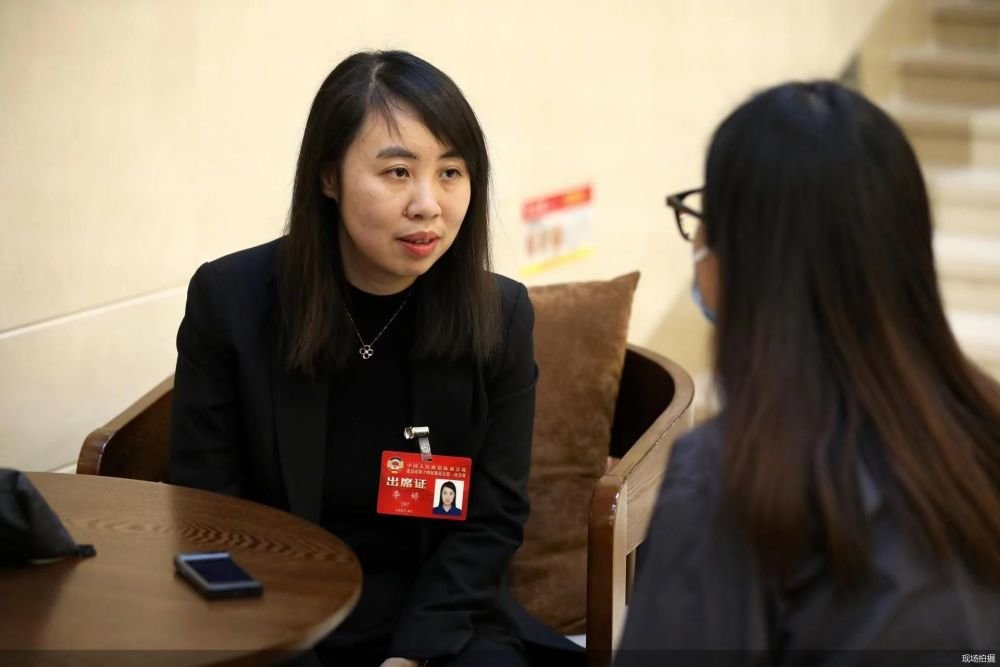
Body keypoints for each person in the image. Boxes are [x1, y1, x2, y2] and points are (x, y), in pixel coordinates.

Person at [169, 50, 581, 667]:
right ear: (329, 177)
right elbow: (210, 516)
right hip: (278, 615)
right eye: (397, 172)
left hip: (439, 616)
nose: (428, 204)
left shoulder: (499, 315)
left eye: (450, 172)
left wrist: (410, 655)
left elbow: (492, 519)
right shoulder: (231, 302)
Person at [618, 81, 1000, 665]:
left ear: (747, 259)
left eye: (705, 216)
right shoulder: (983, 429)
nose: (696, 240)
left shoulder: (730, 478)